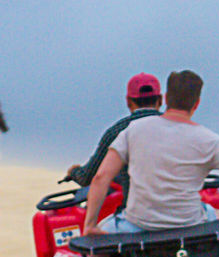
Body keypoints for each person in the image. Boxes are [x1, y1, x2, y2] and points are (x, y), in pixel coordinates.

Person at [82, 70, 219, 235]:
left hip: (138, 224)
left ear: (166, 98)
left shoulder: (133, 130)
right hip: (192, 221)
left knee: (93, 242)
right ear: (196, 104)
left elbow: (100, 177)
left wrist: (90, 226)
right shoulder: (209, 139)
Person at [64, 73, 163, 212]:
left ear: (128, 101)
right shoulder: (181, 127)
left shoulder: (117, 131)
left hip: (138, 215)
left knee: (99, 229)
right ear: (160, 99)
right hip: (184, 213)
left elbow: (87, 177)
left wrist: (74, 172)